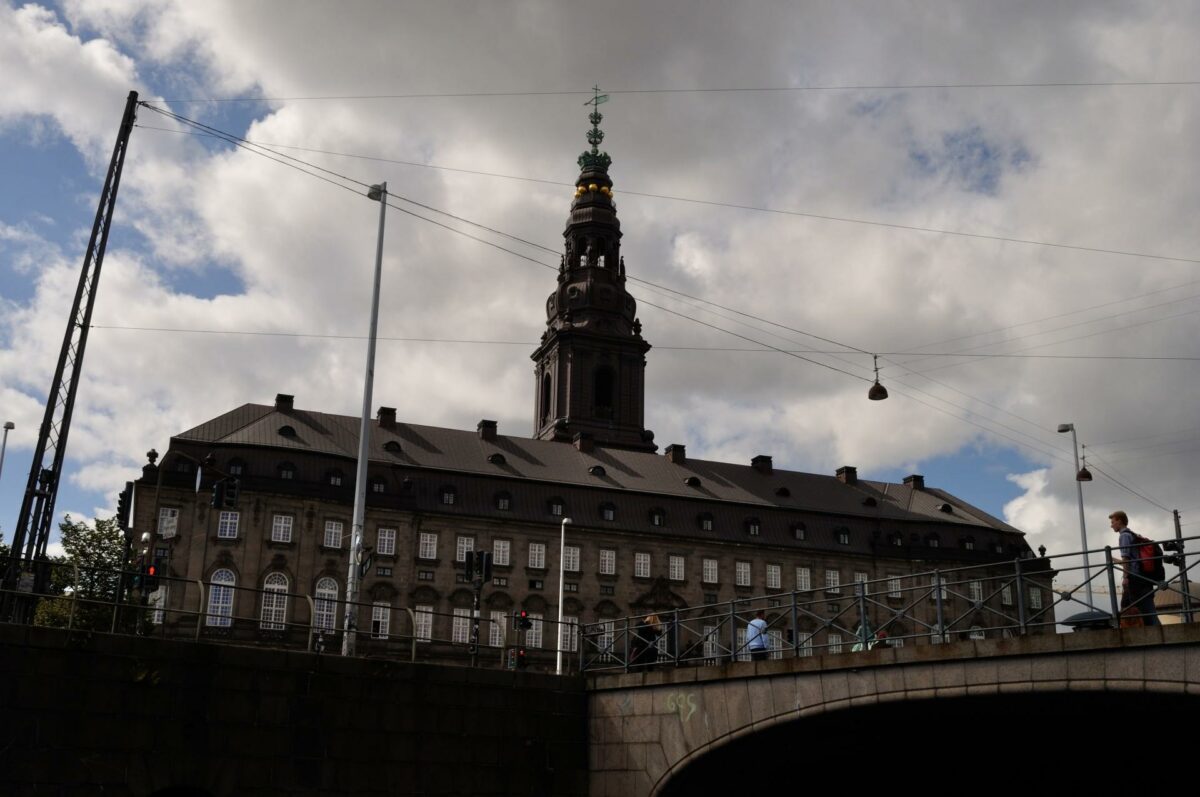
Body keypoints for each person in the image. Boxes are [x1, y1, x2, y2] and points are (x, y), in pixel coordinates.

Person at [1110, 510, 1160, 626]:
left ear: (1119, 521)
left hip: (1135, 578)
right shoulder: (1132, 535)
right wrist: (1112, 560)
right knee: (1146, 610)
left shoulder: (1124, 536)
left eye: (1113, 522)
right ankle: (1158, 633)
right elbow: (1132, 560)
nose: (1111, 525)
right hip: (1143, 576)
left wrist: (1125, 577)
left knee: (1136, 610)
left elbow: (1126, 559)